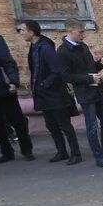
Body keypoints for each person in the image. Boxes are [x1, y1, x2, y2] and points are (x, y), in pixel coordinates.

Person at [55, 18, 103, 169]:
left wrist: (100, 64)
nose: (83, 35)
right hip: (86, 94)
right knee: (92, 126)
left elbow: (91, 67)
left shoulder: (83, 46)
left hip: (98, 90)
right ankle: (99, 157)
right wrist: (89, 78)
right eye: (80, 32)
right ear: (70, 31)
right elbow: (66, 76)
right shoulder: (62, 52)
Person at [20, 20, 81, 165]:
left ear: (31, 32)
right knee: (51, 125)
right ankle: (62, 151)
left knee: (64, 125)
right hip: (43, 95)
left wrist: (43, 84)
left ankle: (75, 153)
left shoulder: (45, 48)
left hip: (55, 95)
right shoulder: (34, 47)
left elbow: (56, 71)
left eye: (23, 30)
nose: (21, 33)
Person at [0, 14, 33, 163]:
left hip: (5, 89)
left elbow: (8, 62)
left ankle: (26, 150)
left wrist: (14, 82)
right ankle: (7, 152)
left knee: (17, 121)